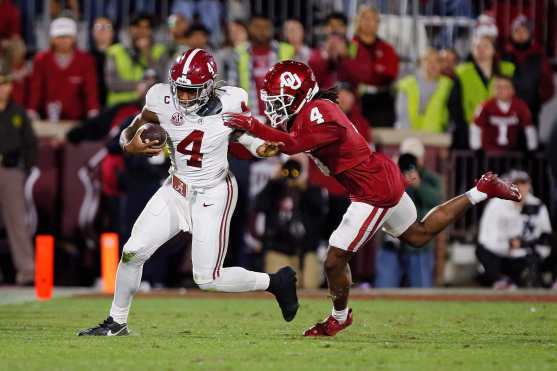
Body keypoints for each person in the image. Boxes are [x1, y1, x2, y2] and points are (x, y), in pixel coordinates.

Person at [224, 60, 522, 336]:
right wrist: (237, 137)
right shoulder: (309, 110)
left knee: (333, 260)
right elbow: (277, 139)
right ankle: (481, 190)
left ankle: (339, 318)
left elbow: (290, 145)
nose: (276, 108)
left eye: (280, 100)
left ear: (299, 94)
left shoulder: (319, 112)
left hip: (372, 188)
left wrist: (250, 125)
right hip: (377, 175)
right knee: (418, 235)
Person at [78, 49, 299, 336]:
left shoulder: (231, 100)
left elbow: (245, 135)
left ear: (208, 87)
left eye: (190, 91)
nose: (183, 98)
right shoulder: (160, 97)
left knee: (207, 278)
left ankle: (276, 282)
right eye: (179, 90)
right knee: (132, 252)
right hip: (176, 188)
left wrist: (261, 148)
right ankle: (116, 322)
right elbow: (128, 131)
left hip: (214, 192)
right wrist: (131, 145)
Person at [375, 143, 443, 288]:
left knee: (421, 290)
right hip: (392, 241)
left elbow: (436, 199)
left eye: (414, 158)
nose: (410, 162)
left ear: (421, 160)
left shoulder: (431, 179)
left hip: (418, 244)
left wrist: (418, 184)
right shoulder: (392, 173)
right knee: (384, 289)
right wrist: (391, 171)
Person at [253, 159, 326, 289]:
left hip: (307, 249)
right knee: (281, 287)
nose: (293, 172)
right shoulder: (275, 188)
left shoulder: (313, 189)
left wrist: (305, 188)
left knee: (311, 287)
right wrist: (273, 181)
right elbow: (259, 205)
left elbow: (321, 212)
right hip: (278, 248)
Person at [477, 170, 552, 289]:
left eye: (524, 184)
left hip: (526, 253)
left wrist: (529, 249)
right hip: (500, 254)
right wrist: (510, 245)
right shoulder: (496, 205)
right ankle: (500, 279)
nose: (520, 188)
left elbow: (546, 236)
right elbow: (487, 240)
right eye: (516, 184)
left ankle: (544, 280)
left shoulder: (537, 205)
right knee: (482, 251)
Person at [0, 60, 37, 285]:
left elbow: (30, 144)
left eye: (5, 83)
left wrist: (25, 167)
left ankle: (28, 272)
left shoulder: (18, 113)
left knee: (17, 222)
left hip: (11, 171)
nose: (2, 88)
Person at [449, 35, 515, 149]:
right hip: (470, 133)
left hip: (501, 132)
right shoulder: (462, 72)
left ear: (494, 50)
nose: (481, 50)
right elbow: (454, 104)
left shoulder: (508, 70)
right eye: (476, 47)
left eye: (485, 46)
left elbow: (516, 100)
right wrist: (464, 128)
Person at [338, 5, 399, 127]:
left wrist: (363, 72)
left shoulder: (387, 49)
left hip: (382, 100)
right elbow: (345, 72)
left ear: (378, 23)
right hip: (356, 100)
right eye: (365, 18)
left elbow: (391, 73)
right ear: (358, 21)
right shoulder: (349, 47)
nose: (369, 22)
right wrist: (373, 72)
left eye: (373, 19)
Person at [27, 17, 99, 121]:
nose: (63, 40)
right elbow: (36, 87)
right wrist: (32, 109)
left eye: (67, 36)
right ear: (52, 39)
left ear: (74, 38)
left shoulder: (85, 60)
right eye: (59, 37)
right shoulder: (41, 59)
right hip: (47, 117)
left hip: (76, 119)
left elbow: (91, 88)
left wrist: (93, 110)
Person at [228, 14, 295, 120]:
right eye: (257, 27)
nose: (261, 31)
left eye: (266, 27)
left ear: (272, 29)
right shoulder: (239, 54)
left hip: (281, 118)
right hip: (250, 119)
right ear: (249, 28)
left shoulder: (287, 51)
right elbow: (231, 90)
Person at [502, 15, 555, 128]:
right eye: (517, 31)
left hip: (531, 112)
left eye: (524, 31)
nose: (520, 34)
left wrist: (536, 101)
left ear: (530, 33)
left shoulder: (540, 57)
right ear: (512, 33)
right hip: (503, 113)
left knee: (530, 143)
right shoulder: (504, 56)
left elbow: (548, 86)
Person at [105, 13, 167, 107]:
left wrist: (147, 53)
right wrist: (138, 85)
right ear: (130, 29)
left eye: (146, 27)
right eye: (138, 27)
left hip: (148, 107)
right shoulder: (114, 51)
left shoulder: (160, 50)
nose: (142, 31)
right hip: (118, 106)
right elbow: (112, 83)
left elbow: (161, 80)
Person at [470, 75, 537, 153]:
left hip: (512, 152)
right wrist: (476, 147)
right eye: (497, 87)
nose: (500, 90)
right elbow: (476, 126)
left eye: (505, 87)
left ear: (513, 90)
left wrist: (532, 148)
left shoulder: (520, 106)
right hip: (490, 152)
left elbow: (529, 128)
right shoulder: (485, 106)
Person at [396, 48, 452, 133]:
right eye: (428, 60)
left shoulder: (448, 85)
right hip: (409, 137)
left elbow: (450, 117)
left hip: (437, 138)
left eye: (437, 61)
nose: (433, 64)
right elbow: (402, 114)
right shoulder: (407, 84)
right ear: (420, 63)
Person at [308, 12, 349, 90]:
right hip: (325, 96)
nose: (335, 29)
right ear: (325, 29)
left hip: (348, 96)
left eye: (339, 25)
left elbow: (357, 74)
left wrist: (344, 56)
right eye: (331, 25)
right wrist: (326, 54)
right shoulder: (318, 50)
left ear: (345, 28)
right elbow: (314, 76)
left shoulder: (353, 47)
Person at [90, 17, 115, 108]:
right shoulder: (88, 56)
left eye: (107, 27)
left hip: (115, 103)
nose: (103, 30)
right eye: (98, 27)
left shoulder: (121, 54)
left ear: (113, 32)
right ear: (93, 32)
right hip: (96, 103)